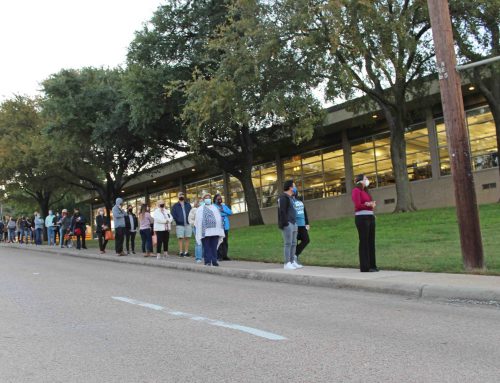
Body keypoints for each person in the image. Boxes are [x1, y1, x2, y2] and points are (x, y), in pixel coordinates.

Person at [352, 174, 378, 272]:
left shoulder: (366, 191)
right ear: (360, 181)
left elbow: (369, 204)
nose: (367, 180)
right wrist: (368, 205)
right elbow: (358, 205)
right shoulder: (356, 191)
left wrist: (371, 205)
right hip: (361, 218)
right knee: (364, 242)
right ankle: (365, 267)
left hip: (370, 216)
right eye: (365, 178)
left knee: (371, 242)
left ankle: (372, 265)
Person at [195, 192, 225, 267]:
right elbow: (198, 220)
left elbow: (218, 218)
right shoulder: (200, 209)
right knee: (207, 247)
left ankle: (214, 261)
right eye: (206, 198)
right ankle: (207, 261)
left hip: (215, 231)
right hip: (205, 231)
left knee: (214, 247)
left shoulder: (215, 208)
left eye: (209, 198)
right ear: (203, 199)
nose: (208, 199)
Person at [278, 180, 299, 270]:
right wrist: (285, 223)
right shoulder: (283, 197)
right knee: (288, 243)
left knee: (294, 243)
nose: (295, 188)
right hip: (288, 223)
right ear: (290, 188)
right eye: (294, 186)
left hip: (294, 223)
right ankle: (287, 263)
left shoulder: (291, 198)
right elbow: (282, 211)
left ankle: (292, 261)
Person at [171, 192, 192, 257]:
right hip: (179, 225)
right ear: (178, 196)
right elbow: (173, 214)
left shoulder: (188, 205)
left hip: (188, 224)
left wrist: (191, 221)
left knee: (187, 238)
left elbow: (191, 213)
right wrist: (178, 220)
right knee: (180, 238)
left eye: (182, 195)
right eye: (180, 195)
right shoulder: (175, 205)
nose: (181, 196)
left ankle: (186, 252)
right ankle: (180, 252)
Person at [293, 191, 309, 269]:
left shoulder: (300, 201)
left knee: (306, 240)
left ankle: (295, 254)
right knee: (294, 242)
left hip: (302, 225)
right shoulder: (290, 202)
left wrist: (307, 223)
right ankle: (294, 259)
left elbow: (304, 212)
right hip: (295, 225)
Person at [214, 193, 232, 261]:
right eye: (218, 198)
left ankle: (225, 256)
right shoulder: (213, 206)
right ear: (215, 199)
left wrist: (223, 211)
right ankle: (219, 256)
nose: (219, 200)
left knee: (225, 241)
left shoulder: (224, 206)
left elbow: (230, 212)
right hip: (218, 226)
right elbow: (216, 213)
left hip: (225, 226)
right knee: (219, 241)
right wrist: (224, 214)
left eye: (220, 198)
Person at [188, 199, 203, 263]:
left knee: (204, 242)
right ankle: (198, 258)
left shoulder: (205, 209)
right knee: (198, 242)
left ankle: (203, 256)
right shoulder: (194, 210)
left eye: (203, 201)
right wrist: (195, 224)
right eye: (200, 201)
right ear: (197, 202)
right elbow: (190, 219)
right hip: (196, 227)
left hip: (204, 227)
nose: (202, 202)